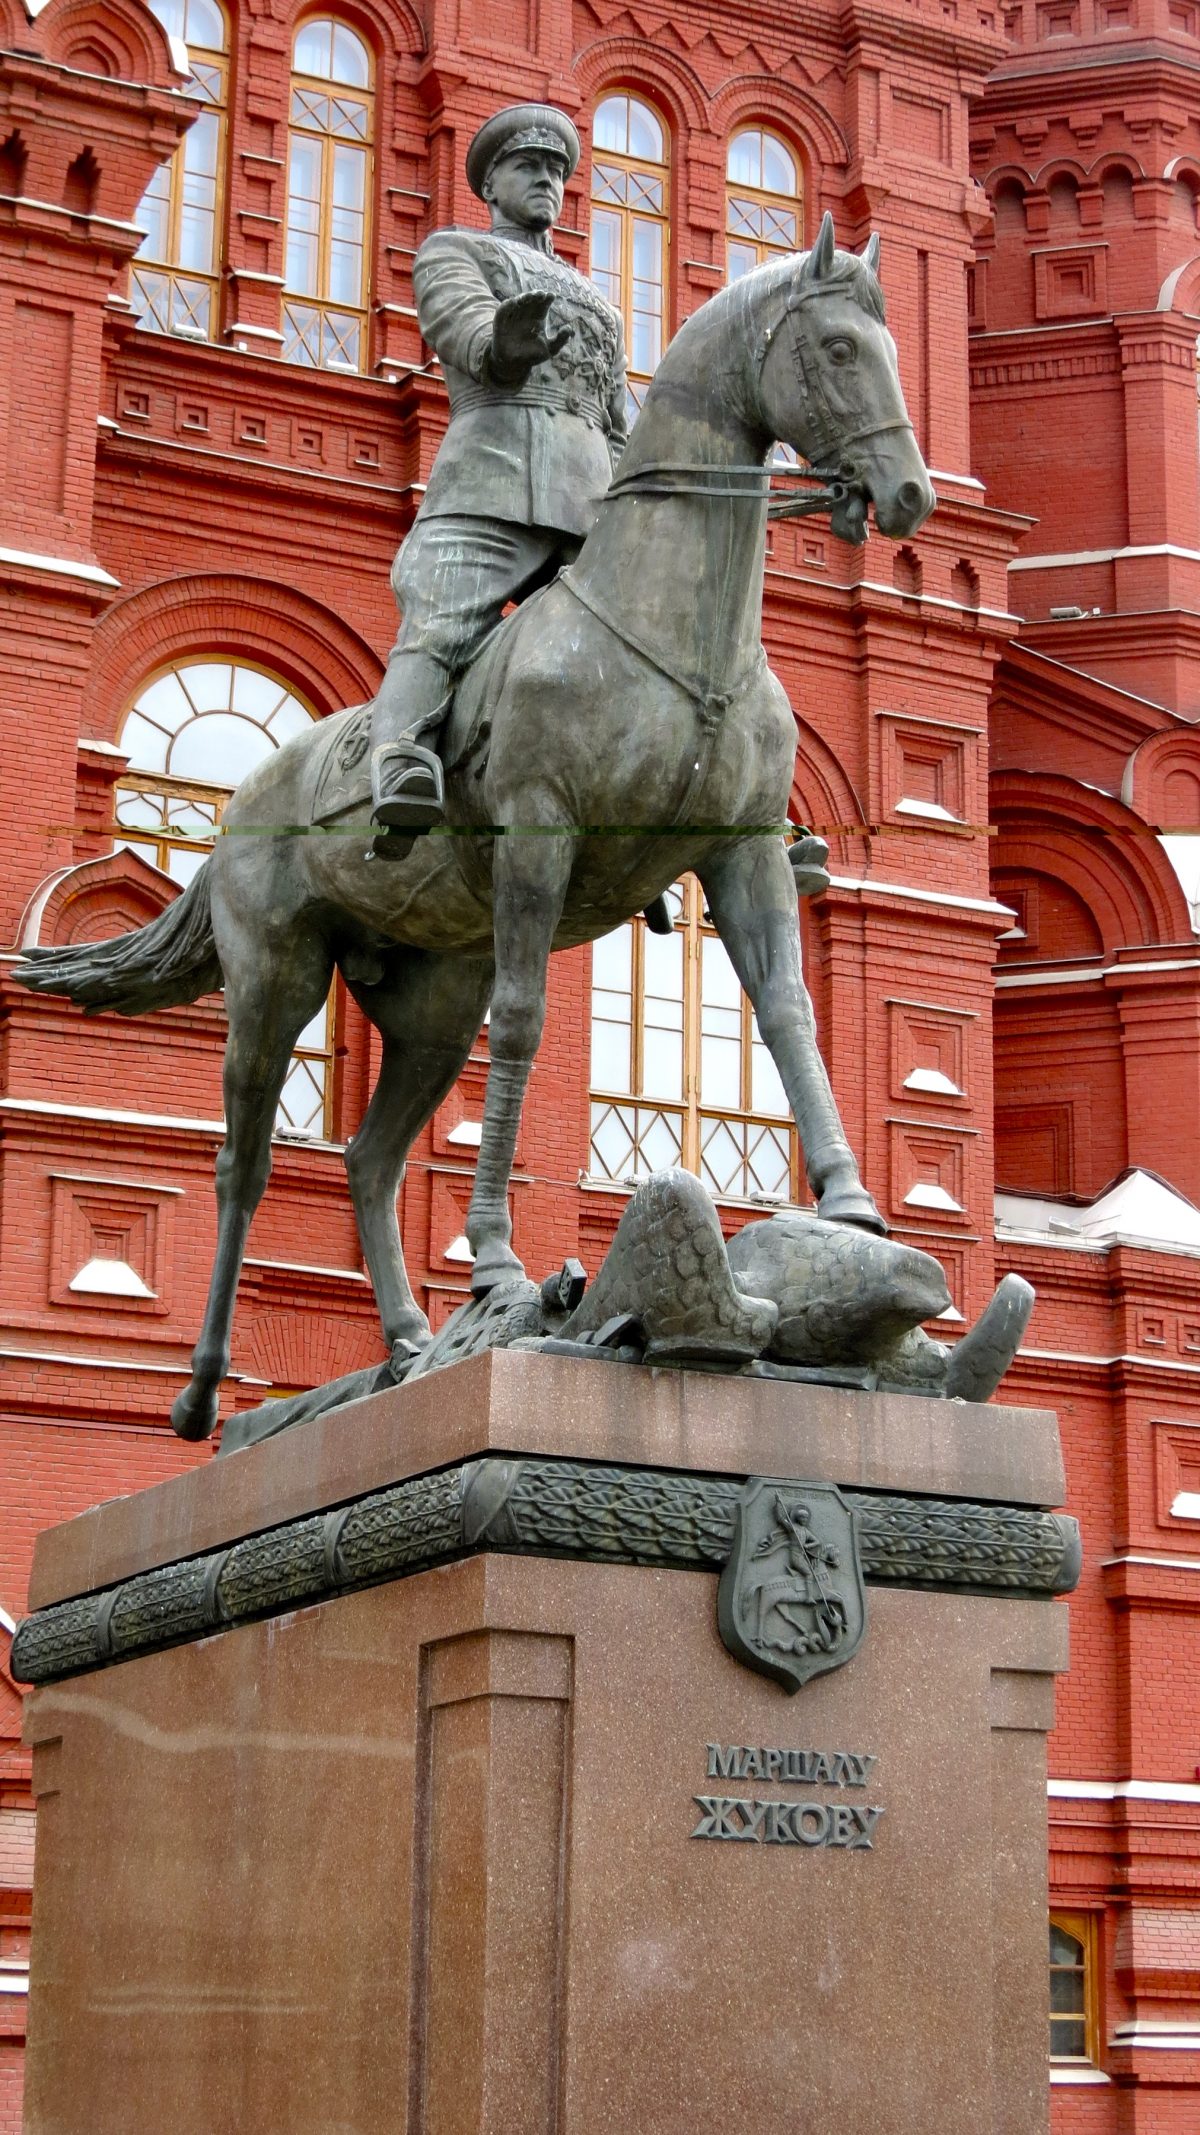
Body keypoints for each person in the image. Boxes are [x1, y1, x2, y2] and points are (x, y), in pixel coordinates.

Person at [369, 102, 630, 855]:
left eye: (556, 170)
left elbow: (616, 420)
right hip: (493, 479)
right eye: (529, 167)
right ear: (491, 185)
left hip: (591, 503)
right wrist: (503, 343)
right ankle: (401, 768)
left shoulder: (600, 304)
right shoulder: (457, 252)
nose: (546, 179)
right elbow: (466, 332)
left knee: (658, 633)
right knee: (442, 623)